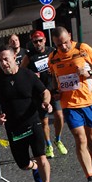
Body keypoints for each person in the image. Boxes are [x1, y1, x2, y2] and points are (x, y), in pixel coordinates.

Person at [0, 45, 54, 182]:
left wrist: (46, 103)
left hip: (33, 122)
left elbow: (45, 92)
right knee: (23, 164)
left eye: (6, 59)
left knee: (42, 157)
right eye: (0, 60)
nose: (3, 63)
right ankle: (34, 167)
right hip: (14, 128)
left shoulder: (28, 75)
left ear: (14, 58)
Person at [48, 26, 92, 182]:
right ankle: (90, 178)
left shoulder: (83, 49)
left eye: (66, 43)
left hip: (88, 101)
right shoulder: (52, 58)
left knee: (91, 137)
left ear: (70, 38)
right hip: (69, 105)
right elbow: (54, 78)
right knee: (79, 138)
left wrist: (89, 72)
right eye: (60, 45)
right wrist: (56, 92)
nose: (64, 47)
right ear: (55, 43)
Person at [21, 30, 67, 159]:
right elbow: (21, 72)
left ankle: (58, 140)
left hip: (53, 89)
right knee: (44, 121)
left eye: (40, 40)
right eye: (35, 42)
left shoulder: (52, 51)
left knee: (59, 115)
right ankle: (48, 145)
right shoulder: (29, 56)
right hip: (39, 93)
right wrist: (31, 75)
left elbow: (60, 64)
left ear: (45, 40)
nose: (38, 43)